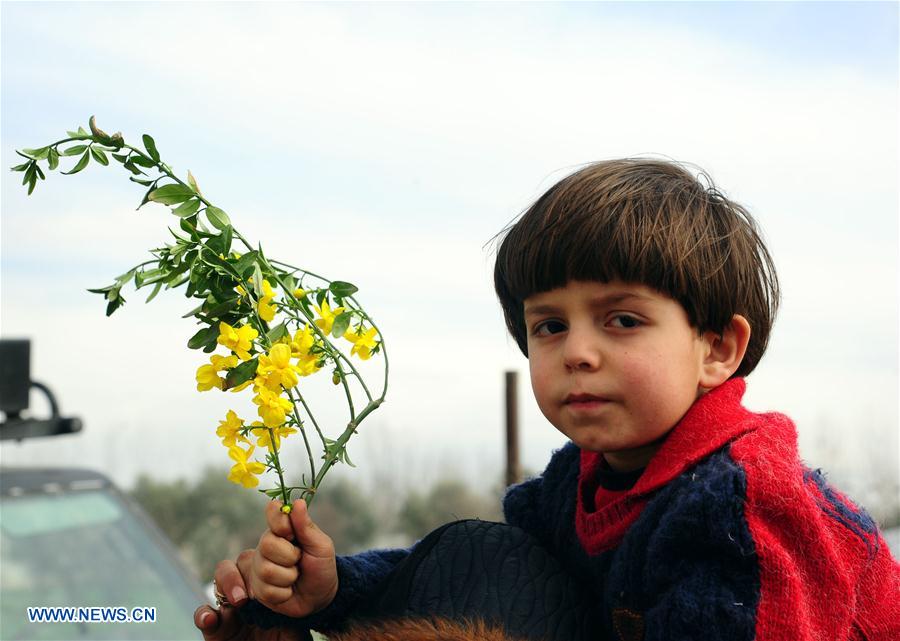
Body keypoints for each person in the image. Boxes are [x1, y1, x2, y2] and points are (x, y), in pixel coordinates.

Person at [195, 159, 900, 641]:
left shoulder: (740, 503)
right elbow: (489, 573)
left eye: (622, 319)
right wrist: (332, 589)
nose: (577, 351)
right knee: (479, 546)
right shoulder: (578, 479)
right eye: (549, 325)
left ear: (717, 348)